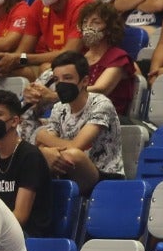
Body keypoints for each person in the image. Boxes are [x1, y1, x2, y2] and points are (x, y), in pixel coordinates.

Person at [27, 50, 124, 195]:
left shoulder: (101, 104)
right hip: (67, 167)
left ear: (85, 81)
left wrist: (41, 136)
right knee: (34, 157)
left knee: (72, 155)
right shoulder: (59, 108)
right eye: (57, 80)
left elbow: (76, 146)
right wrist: (45, 151)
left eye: (67, 78)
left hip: (105, 176)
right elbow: (44, 144)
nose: (61, 84)